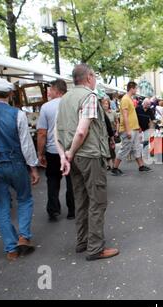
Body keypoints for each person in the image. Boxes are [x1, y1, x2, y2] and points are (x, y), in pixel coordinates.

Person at [55, 64, 119, 261]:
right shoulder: (89, 96)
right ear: (90, 76)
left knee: (80, 200)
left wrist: (64, 156)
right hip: (89, 155)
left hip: (71, 156)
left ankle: (82, 241)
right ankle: (95, 248)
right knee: (97, 201)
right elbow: (82, 130)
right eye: (95, 76)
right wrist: (71, 152)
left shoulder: (64, 98)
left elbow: (57, 131)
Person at [0, 78, 39, 261]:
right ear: (10, 94)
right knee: (24, 198)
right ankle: (24, 236)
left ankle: (11, 249)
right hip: (15, 163)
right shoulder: (17, 114)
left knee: (1, 206)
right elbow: (26, 144)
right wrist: (33, 167)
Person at [37, 80, 75, 222]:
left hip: (53, 150)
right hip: (70, 149)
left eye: (50, 90)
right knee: (72, 181)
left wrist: (40, 153)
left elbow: (42, 132)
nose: (49, 92)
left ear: (56, 90)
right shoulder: (72, 104)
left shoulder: (46, 107)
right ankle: (72, 209)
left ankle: (53, 209)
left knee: (53, 180)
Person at [111, 82, 152, 176]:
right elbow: (124, 115)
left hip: (134, 128)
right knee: (125, 148)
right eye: (136, 88)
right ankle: (115, 168)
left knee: (136, 148)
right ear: (132, 88)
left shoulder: (129, 99)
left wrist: (137, 127)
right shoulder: (125, 99)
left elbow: (130, 115)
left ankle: (141, 166)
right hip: (128, 129)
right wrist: (128, 130)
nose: (136, 90)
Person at [101, 95, 118, 170]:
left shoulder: (113, 112)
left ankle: (114, 164)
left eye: (106, 103)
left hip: (112, 132)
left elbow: (117, 122)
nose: (105, 105)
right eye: (104, 104)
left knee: (112, 149)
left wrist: (117, 131)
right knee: (106, 149)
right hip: (103, 134)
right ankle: (108, 165)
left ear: (109, 105)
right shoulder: (100, 114)